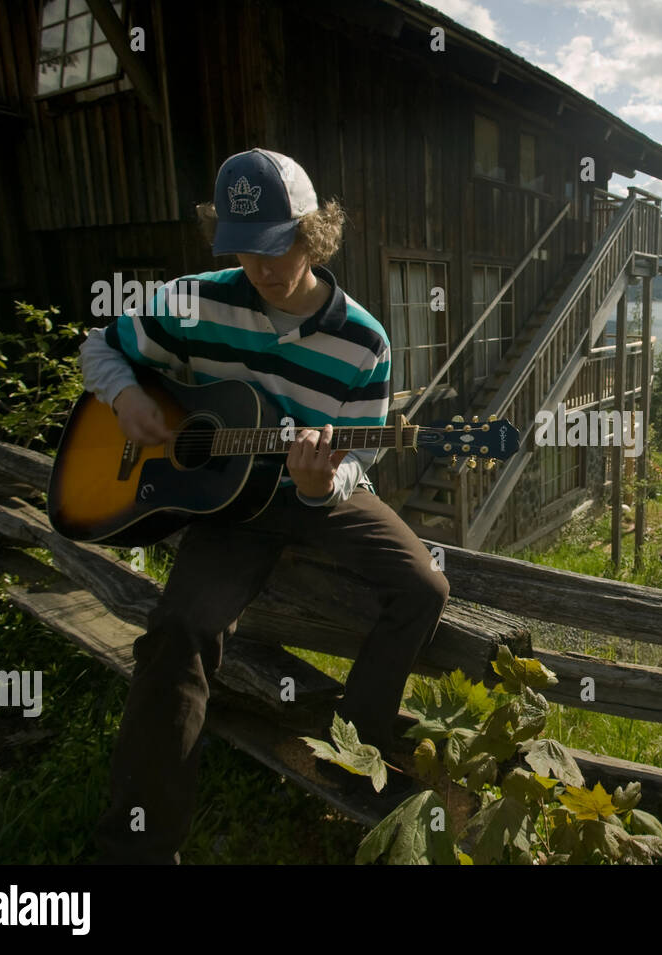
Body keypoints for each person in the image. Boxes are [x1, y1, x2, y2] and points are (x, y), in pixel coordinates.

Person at [80, 148, 449, 864]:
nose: (263, 267)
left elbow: (363, 454)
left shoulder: (365, 339)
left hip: (317, 492)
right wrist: (126, 396)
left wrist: (320, 484)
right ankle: (135, 848)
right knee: (178, 630)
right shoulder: (197, 298)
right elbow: (99, 345)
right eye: (245, 251)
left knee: (423, 586)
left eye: (278, 246)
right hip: (227, 503)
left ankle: (351, 754)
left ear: (314, 232)